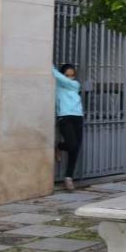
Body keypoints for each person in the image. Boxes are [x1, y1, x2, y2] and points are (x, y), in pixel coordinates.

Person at [54, 63, 83, 192]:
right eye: (67, 75)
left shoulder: (75, 85)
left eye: (72, 75)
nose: (70, 78)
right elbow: (58, 78)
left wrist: (52, 69)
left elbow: (62, 79)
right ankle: (59, 146)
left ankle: (68, 177)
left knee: (76, 148)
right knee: (72, 145)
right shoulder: (57, 86)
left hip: (78, 116)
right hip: (64, 117)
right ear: (62, 75)